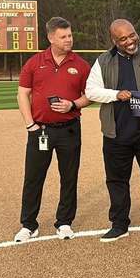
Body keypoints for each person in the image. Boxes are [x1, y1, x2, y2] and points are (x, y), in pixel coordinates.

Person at [86, 19, 140, 243]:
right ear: (114, 41)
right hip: (116, 133)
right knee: (116, 180)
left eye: (132, 35)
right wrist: (116, 94)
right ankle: (119, 224)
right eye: (123, 39)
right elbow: (91, 91)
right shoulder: (103, 61)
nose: (130, 41)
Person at [14, 17, 91, 242]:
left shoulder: (80, 64)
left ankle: (64, 222)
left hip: (69, 130)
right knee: (33, 178)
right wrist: (30, 125)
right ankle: (29, 225)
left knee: (69, 177)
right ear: (50, 38)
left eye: (70, 35)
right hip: (40, 131)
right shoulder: (34, 62)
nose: (69, 40)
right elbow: (22, 94)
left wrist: (73, 104)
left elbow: (90, 96)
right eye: (63, 36)